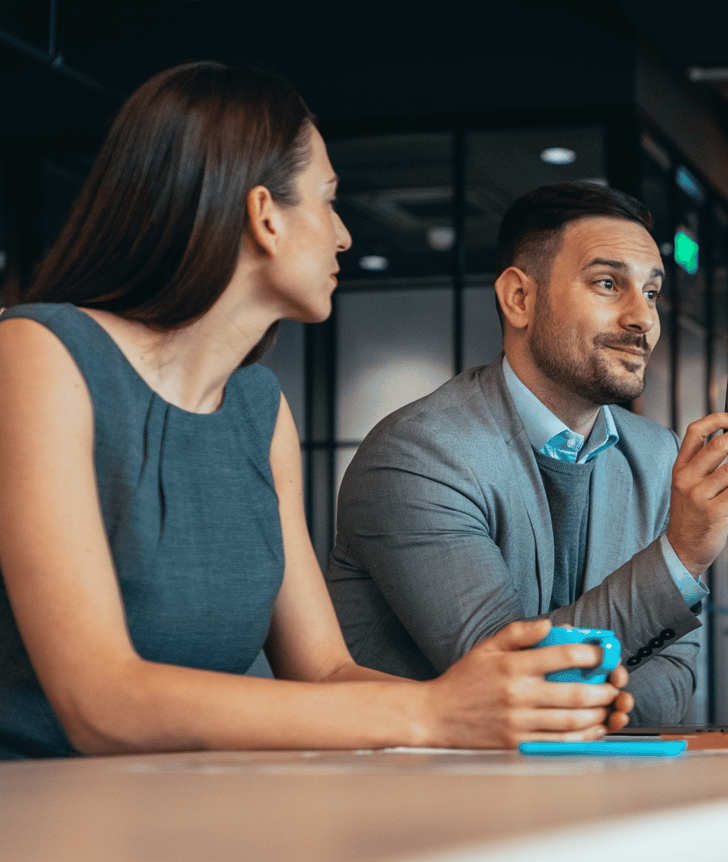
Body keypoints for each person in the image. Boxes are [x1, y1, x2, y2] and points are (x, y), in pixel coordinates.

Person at [0, 63, 631, 759]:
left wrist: (523, 705)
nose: (343, 236)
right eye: (328, 202)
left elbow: (324, 671)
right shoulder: (38, 355)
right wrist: (431, 713)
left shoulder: (257, 408)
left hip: (185, 822)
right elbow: (102, 703)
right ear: (265, 215)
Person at [328, 183, 728, 725]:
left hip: (600, 793)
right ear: (519, 298)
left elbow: (679, 671)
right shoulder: (419, 455)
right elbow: (516, 679)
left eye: (653, 293)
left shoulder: (657, 453)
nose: (643, 318)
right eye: (609, 284)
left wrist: (583, 704)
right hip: (436, 798)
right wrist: (681, 555)